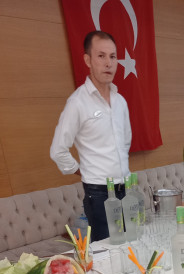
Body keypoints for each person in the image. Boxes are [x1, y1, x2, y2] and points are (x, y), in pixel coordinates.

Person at [50, 30, 131, 241]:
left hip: (126, 188)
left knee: (130, 244)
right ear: (88, 60)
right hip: (99, 194)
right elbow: (58, 150)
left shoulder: (120, 101)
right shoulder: (77, 102)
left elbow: (125, 142)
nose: (108, 63)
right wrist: (83, 171)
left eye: (113, 56)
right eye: (101, 56)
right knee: (107, 251)